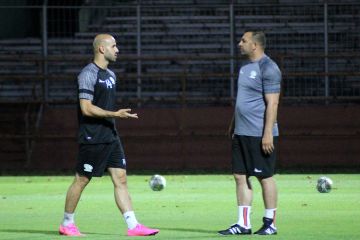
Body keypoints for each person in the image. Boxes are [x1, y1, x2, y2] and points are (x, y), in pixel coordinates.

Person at [59, 34, 159, 237]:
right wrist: (115, 114)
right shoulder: (87, 73)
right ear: (102, 49)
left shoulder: (111, 75)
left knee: (120, 178)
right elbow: (86, 108)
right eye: (114, 46)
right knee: (82, 179)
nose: (118, 49)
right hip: (92, 136)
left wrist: (113, 119)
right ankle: (67, 223)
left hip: (111, 135)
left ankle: (133, 226)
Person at [218, 30, 281, 236]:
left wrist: (268, 133)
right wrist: (233, 123)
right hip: (241, 132)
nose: (239, 43)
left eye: (244, 41)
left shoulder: (269, 67)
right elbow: (243, 100)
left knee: (265, 177)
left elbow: (272, 103)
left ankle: (270, 222)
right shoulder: (245, 67)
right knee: (239, 176)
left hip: (259, 133)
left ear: (255, 45)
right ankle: (243, 224)